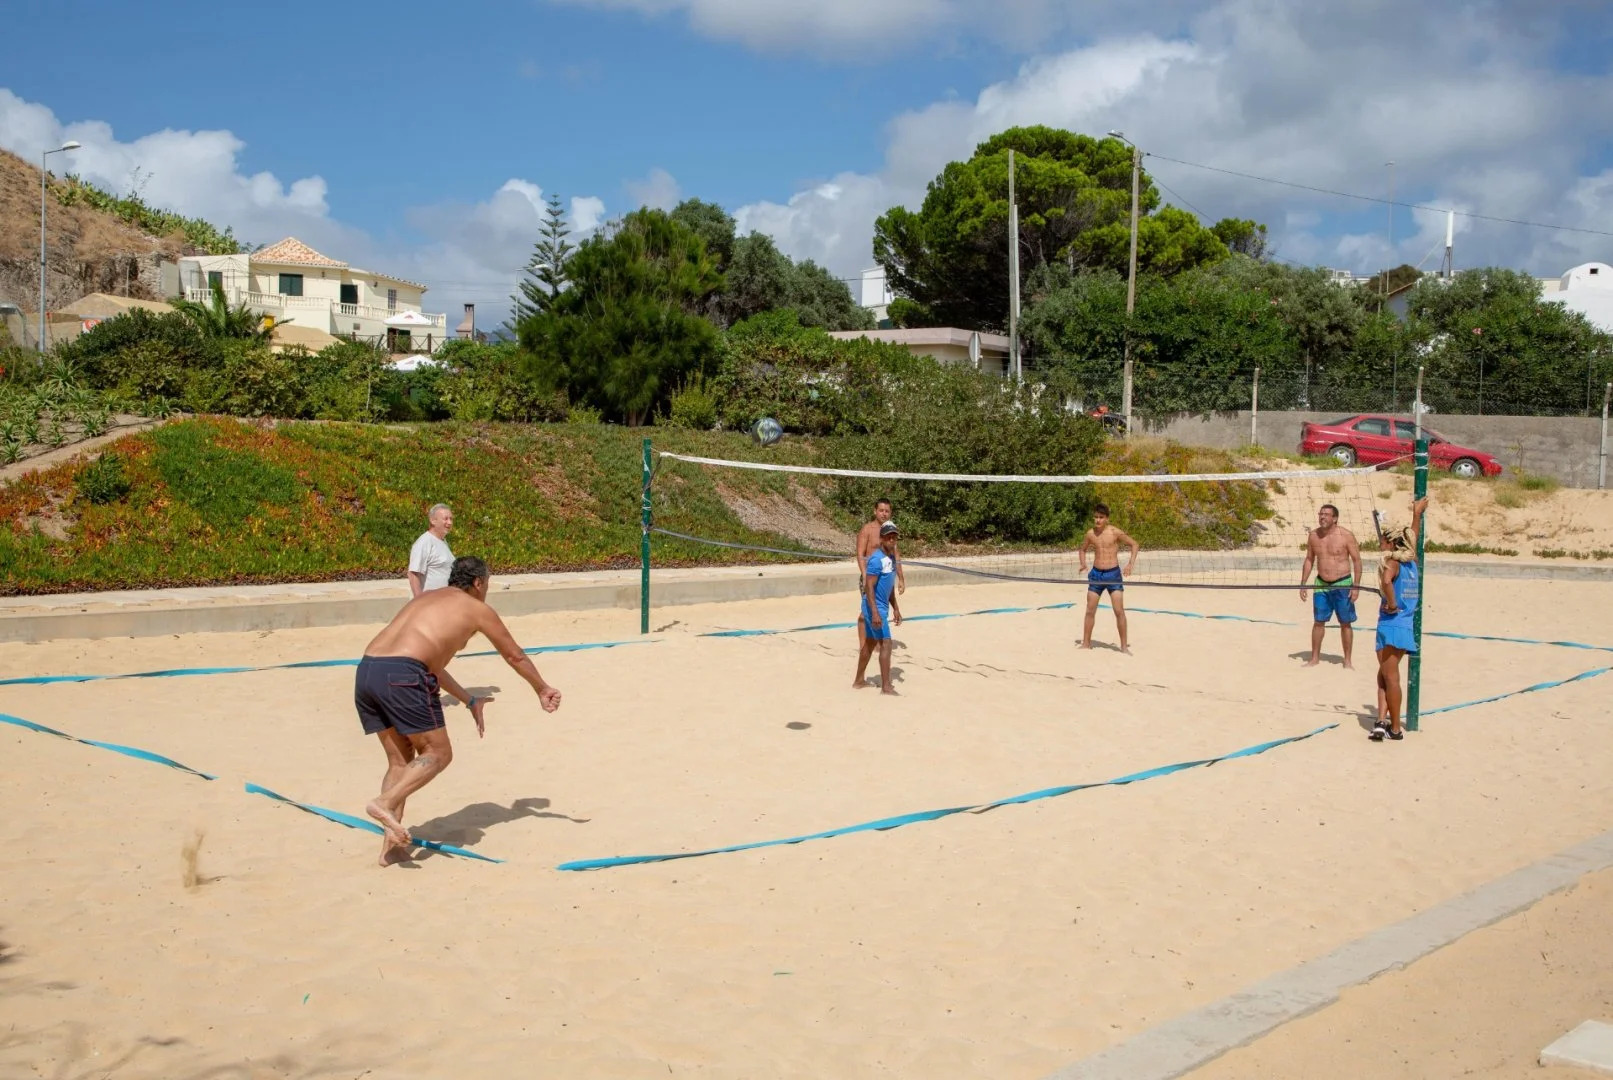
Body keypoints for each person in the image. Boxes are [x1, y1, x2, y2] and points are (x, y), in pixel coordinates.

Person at [357, 555, 562, 865]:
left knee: (400, 761)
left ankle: (391, 850)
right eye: (488, 583)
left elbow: (432, 665)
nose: (487, 590)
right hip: (404, 674)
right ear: (478, 583)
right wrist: (542, 688)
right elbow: (515, 656)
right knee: (439, 753)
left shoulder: (425, 599)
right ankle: (384, 803)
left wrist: (469, 700)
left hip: (368, 670)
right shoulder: (476, 608)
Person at [1371, 496, 1429, 742]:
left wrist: (1392, 603)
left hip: (1392, 624)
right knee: (1383, 675)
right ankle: (1381, 721)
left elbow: (1386, 580)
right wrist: (1417, 514)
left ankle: (1395, 729)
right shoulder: (1412, 560)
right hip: (1403, 625)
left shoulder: (1392, 562)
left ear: (1392, 542)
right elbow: (1412, 536)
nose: (1380, 543)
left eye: (1383, 540)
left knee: (1391, 677)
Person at [1299, 503, 1363, 669]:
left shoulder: (1346, 535)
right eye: (1320, 514)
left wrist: (1356, 586)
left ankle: (1347, 660)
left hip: (1343, 584)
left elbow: (1357, 561)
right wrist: (1303, 583)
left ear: (1335, 518)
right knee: (1318, 622)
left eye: (1326, 514)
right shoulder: (1313, 536)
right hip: (1321, 584)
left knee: (1345, 622)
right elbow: (1309, 559)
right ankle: (1314, 658)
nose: (1322, 517)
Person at [1077, 503, 1140, 653]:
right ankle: (1086, 644)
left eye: (1101, 517)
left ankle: (1123, 647)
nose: (1098, 520)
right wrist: (1083, 563)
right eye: (1096, 517)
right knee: (1090, 611)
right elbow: (1082, 549)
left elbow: (1134, 544)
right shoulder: (1090, 534)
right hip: (1096, 575)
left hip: (1113, 575)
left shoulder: (1114, 532)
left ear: (1107, 518)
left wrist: (1130, 565)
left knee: (1119, 611)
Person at [853, 521, 903, 694]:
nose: (892, 540)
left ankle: (859, 681)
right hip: (873, 606)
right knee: (886, 643)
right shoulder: (876, 560)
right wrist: (874, 612)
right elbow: (869, 587)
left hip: (880, 606)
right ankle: (886, 687)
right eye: (888, 537)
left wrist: (895, 608)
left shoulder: (891, 558)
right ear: (881, 538)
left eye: (894, 537)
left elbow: (888, 587)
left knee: (869, 644)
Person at [855, 498, 905, 648]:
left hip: (885, 576)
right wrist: (864, 574)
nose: (884, 514)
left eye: (887, 511)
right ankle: (863, 645)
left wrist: (901, 578)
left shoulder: (891, 532)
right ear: (875, 511)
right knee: (867, 611)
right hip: (870, 576)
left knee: (881, 609)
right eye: (881, 510)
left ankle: (875, 642)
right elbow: (860, 554)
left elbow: (896, 556)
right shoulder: (867, 529)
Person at [407, 504, 455, 597]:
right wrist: (419, 601)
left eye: (451, 519)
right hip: (431, 602)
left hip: (444, 600)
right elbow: (413, 574)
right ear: (433, 520)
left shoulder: (442, 541)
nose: (449, 522)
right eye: (445, 519)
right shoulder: (424, 542)